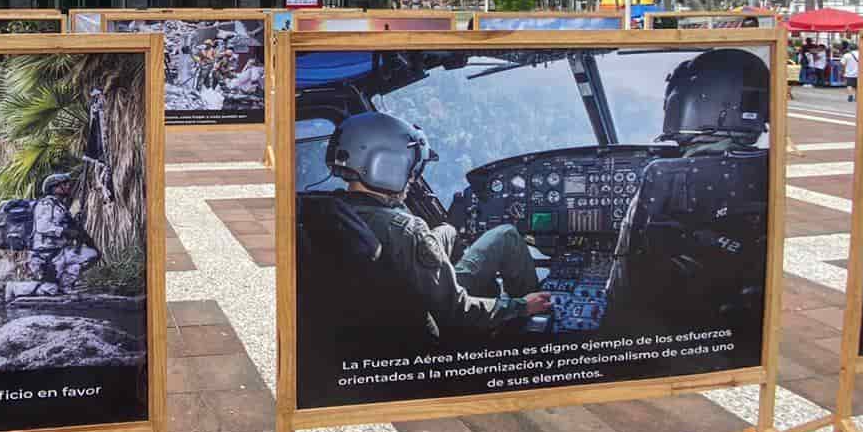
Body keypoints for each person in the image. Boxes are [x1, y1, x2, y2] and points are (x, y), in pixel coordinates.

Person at [310, 112, 550, 337]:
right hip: (436, 324)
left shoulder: (328, 213)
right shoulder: (407, 230)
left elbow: (402, 248)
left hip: (374, 325)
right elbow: (458, 312)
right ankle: (531, 325)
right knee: (506, 235)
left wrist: (445, 233)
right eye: (410, 169)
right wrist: (521, 307)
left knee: (449, 231)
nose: (412, 179)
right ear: (386, 164)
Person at [605, 48, 769, 326]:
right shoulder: (771, 167)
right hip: (739, 324)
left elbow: (624, 280)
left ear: (685, 104)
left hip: (660, 326)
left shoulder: (662, 175)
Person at [28, 172, 100, 294]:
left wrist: (74, 223)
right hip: (45, 254)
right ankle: (14, 288)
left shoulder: (60, 206)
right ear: (54, 188)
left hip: (60, 251)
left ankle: (65, 285)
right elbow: (43, 226)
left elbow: (67, 226)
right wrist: (65, 231)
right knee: (50, 290)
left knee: (92, 254)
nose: (68, 186)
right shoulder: (45, 204)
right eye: (64, 184)